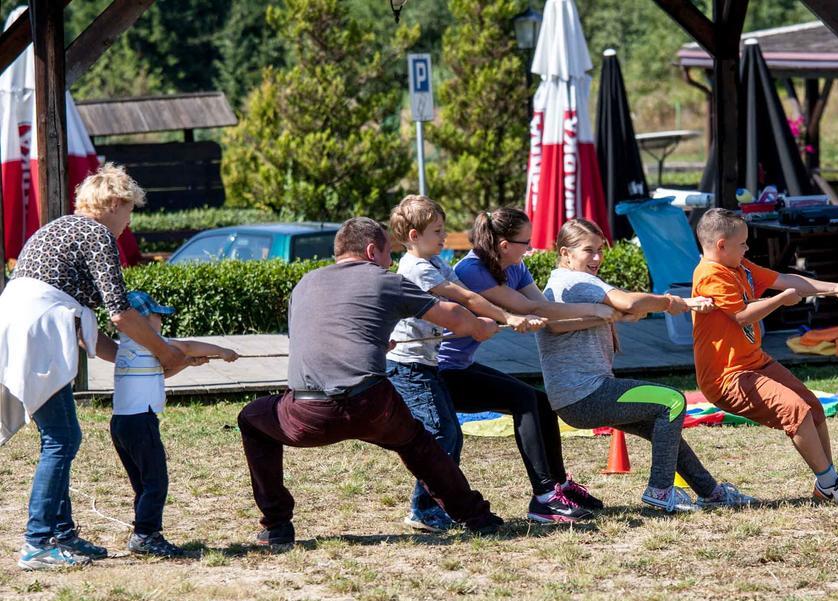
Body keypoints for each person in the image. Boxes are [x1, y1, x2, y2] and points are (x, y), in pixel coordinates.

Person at [237, 217, 504, 548]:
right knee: (418, 445)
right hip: (371, 405)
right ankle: (476, 517)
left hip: (306, 413)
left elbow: (324, 335)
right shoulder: (384, 280)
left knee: (252, 419)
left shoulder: (305, 282)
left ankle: (276, 526)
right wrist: (481, 327)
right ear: (370, 251)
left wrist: (375, 341)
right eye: (388, 254)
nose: (390, 262)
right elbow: (451, 315)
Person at [0, 163, 193, 571]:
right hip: (39, 333)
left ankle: (62, 533)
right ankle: (37, 542)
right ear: (115, 204)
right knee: (62, 439)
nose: (129, 221)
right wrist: (165, 352)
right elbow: (120, 314)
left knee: (59, 436)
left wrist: (138, 360)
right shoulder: (97, 233)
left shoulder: (57, 229)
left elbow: (94, 338)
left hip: (22, 328)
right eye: (130, 211)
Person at [537, 218, 758, 512]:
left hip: (573, 399)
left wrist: (646, 309)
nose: (597, 258)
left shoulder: (560, 283)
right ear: (566, 253)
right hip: (586, 395)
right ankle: (661, 490)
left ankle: (712, 492)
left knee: (664, 428)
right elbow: (627, 302)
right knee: (673, 401)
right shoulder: (578, 281)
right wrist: (672, 301)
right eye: (588, 251)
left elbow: (617, 310)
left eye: (600, 250)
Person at [438, 207, 611, 525]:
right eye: (525, 242)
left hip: (462, 366)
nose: (530, 248)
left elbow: (547, 312)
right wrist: (599, 309)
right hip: (442, 372)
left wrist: (599, 315)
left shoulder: (515, 268)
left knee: (541, 403)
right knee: (525, 403)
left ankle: (559, 486)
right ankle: (544, 498)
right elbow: (528, 306)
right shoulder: (473, 270)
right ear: (505, 245)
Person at [386, 195, 546, 532]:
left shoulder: (438, 264)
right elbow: (467, 300)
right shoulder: (415, 268)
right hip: (408, 367)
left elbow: (472, 301)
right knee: (442, 433)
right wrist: (510, 317)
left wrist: (505, 318)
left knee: (448, 434)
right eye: (437, 231)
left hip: (425, 365)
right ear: (413, 236)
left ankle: (432, 506)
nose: (445, 237)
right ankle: (424, 509)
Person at [691, 208, 838, 506]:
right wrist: (780, 301)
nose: (747, 248)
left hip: (755, 363)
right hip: (727, 377)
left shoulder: (739, 266)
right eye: (743, 244)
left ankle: (829, 482)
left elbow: (785, 279)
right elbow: (742, 315)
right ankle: (829, 482)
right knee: (795, 410)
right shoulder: (710, 275)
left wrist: (834, 289)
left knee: (813, 408)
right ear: (721, 245)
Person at [111, 290, 240, 557]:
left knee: (143, 483)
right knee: (157, 481)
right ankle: (146, 535)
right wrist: (222, 351)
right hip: (142, 421)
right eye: (158, 317)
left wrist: (187, 365)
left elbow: (163, 370)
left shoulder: (127, 347)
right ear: (143, 321)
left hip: (122, 424)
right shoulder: (148, 342)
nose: (162, 323)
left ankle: (143, 531)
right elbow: (186, 346)